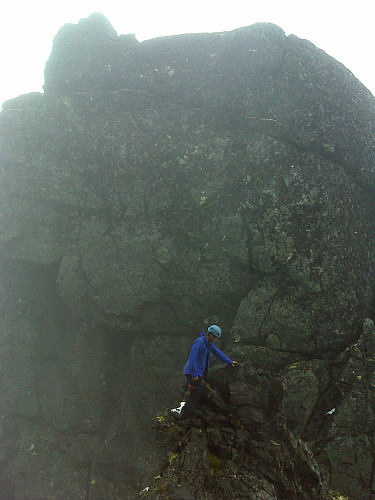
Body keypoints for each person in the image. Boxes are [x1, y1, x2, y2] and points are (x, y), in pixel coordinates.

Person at [182, 325, 237, 416]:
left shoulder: (209, 344)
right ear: (210, 335)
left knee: (196, 392)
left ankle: (190, 411)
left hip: (199, 372)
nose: (216, 340)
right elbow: (192, 359)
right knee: (195, 392)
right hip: (193, 372)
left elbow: (218, 353)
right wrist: (194, 374)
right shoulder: (199, 342)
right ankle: (188, 413)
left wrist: (229, 361)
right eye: (215, 338)